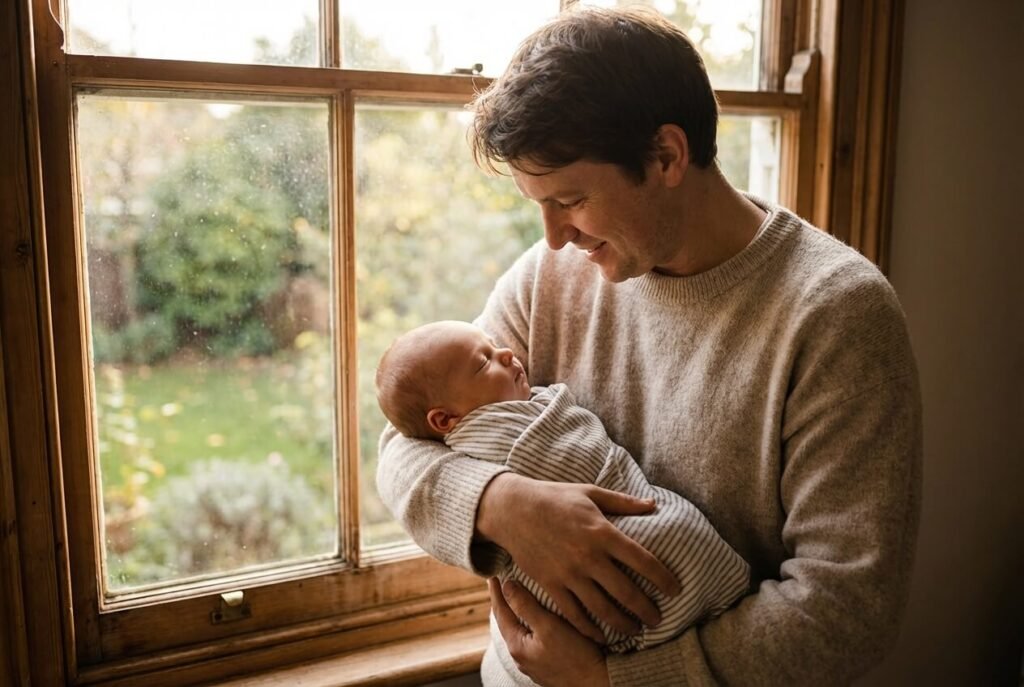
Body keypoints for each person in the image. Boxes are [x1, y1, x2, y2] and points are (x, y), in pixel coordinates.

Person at [377, 6, 922, 686]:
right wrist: (502, 504)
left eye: (569, 199)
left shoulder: (838, 316)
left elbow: (845, 609)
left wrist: (615, 681)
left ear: (666, 155)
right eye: (537, 204)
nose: (552, 237)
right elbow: (406, 444)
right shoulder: (548, 277)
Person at [375, 319, 751, 653]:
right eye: (483, 361)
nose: (506, 352)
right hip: (545, 642)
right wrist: (498, 502)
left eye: (493, 345)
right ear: (445, 420)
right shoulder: (536, 281)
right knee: (670, 540)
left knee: (673, 537)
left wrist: (604, 680)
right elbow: (399, 448)